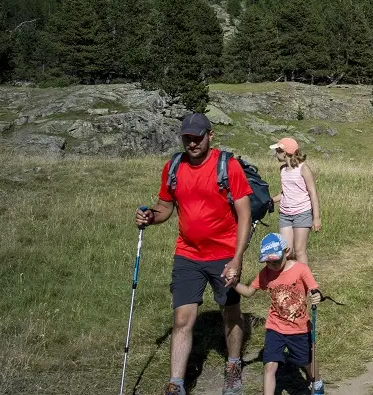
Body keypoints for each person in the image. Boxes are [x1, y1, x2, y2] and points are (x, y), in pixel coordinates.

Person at [135, 112, 253, 395]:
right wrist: (150, 217)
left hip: (224, 254)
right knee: (182, 319)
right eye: (187, 137)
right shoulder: (173, 166)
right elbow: (165, 207)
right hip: (187, 254)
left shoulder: (228, 166)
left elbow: (244, 215)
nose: (192, 143)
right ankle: (176, 384)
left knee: (230, 311)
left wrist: (237, 258)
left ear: (210, 135)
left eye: (197, 137)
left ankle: (233, 364)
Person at [234, 233, 324, 395]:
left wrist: (316, 295)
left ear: (287, 251)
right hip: (275, 327)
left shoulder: (301, 269)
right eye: (268, 262)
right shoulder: (265, 273)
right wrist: (234, 284)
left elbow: (314, 289)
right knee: (270, 365)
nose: (272, 265)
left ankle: (316, 381)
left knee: (307, 362)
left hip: (299, 328)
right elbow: (248, 292)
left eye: (276, 260)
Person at [269, 137, 322, 268]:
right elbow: (285, 193)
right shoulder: (282, 169)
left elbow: (313, 193)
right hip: (285, 215)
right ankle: (289, 282)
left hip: (302, 214)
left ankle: (307, 284)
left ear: (284, 152)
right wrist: (269, 201)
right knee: (286, 251)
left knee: (299, 251)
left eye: (277, 151)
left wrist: (316, 218)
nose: (275, 154)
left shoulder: (303, 168)